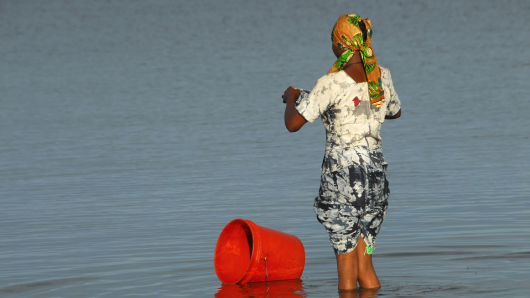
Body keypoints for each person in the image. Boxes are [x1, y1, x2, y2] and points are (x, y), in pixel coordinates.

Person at [282, 14, 401, 291]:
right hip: (375, 181)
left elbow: (292, 124)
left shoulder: (331, 82)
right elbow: (394, 111)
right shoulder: (382, 76)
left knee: (347, 277)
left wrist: (291, 97)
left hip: (343, 182)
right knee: (366, 266)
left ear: (340, 45)